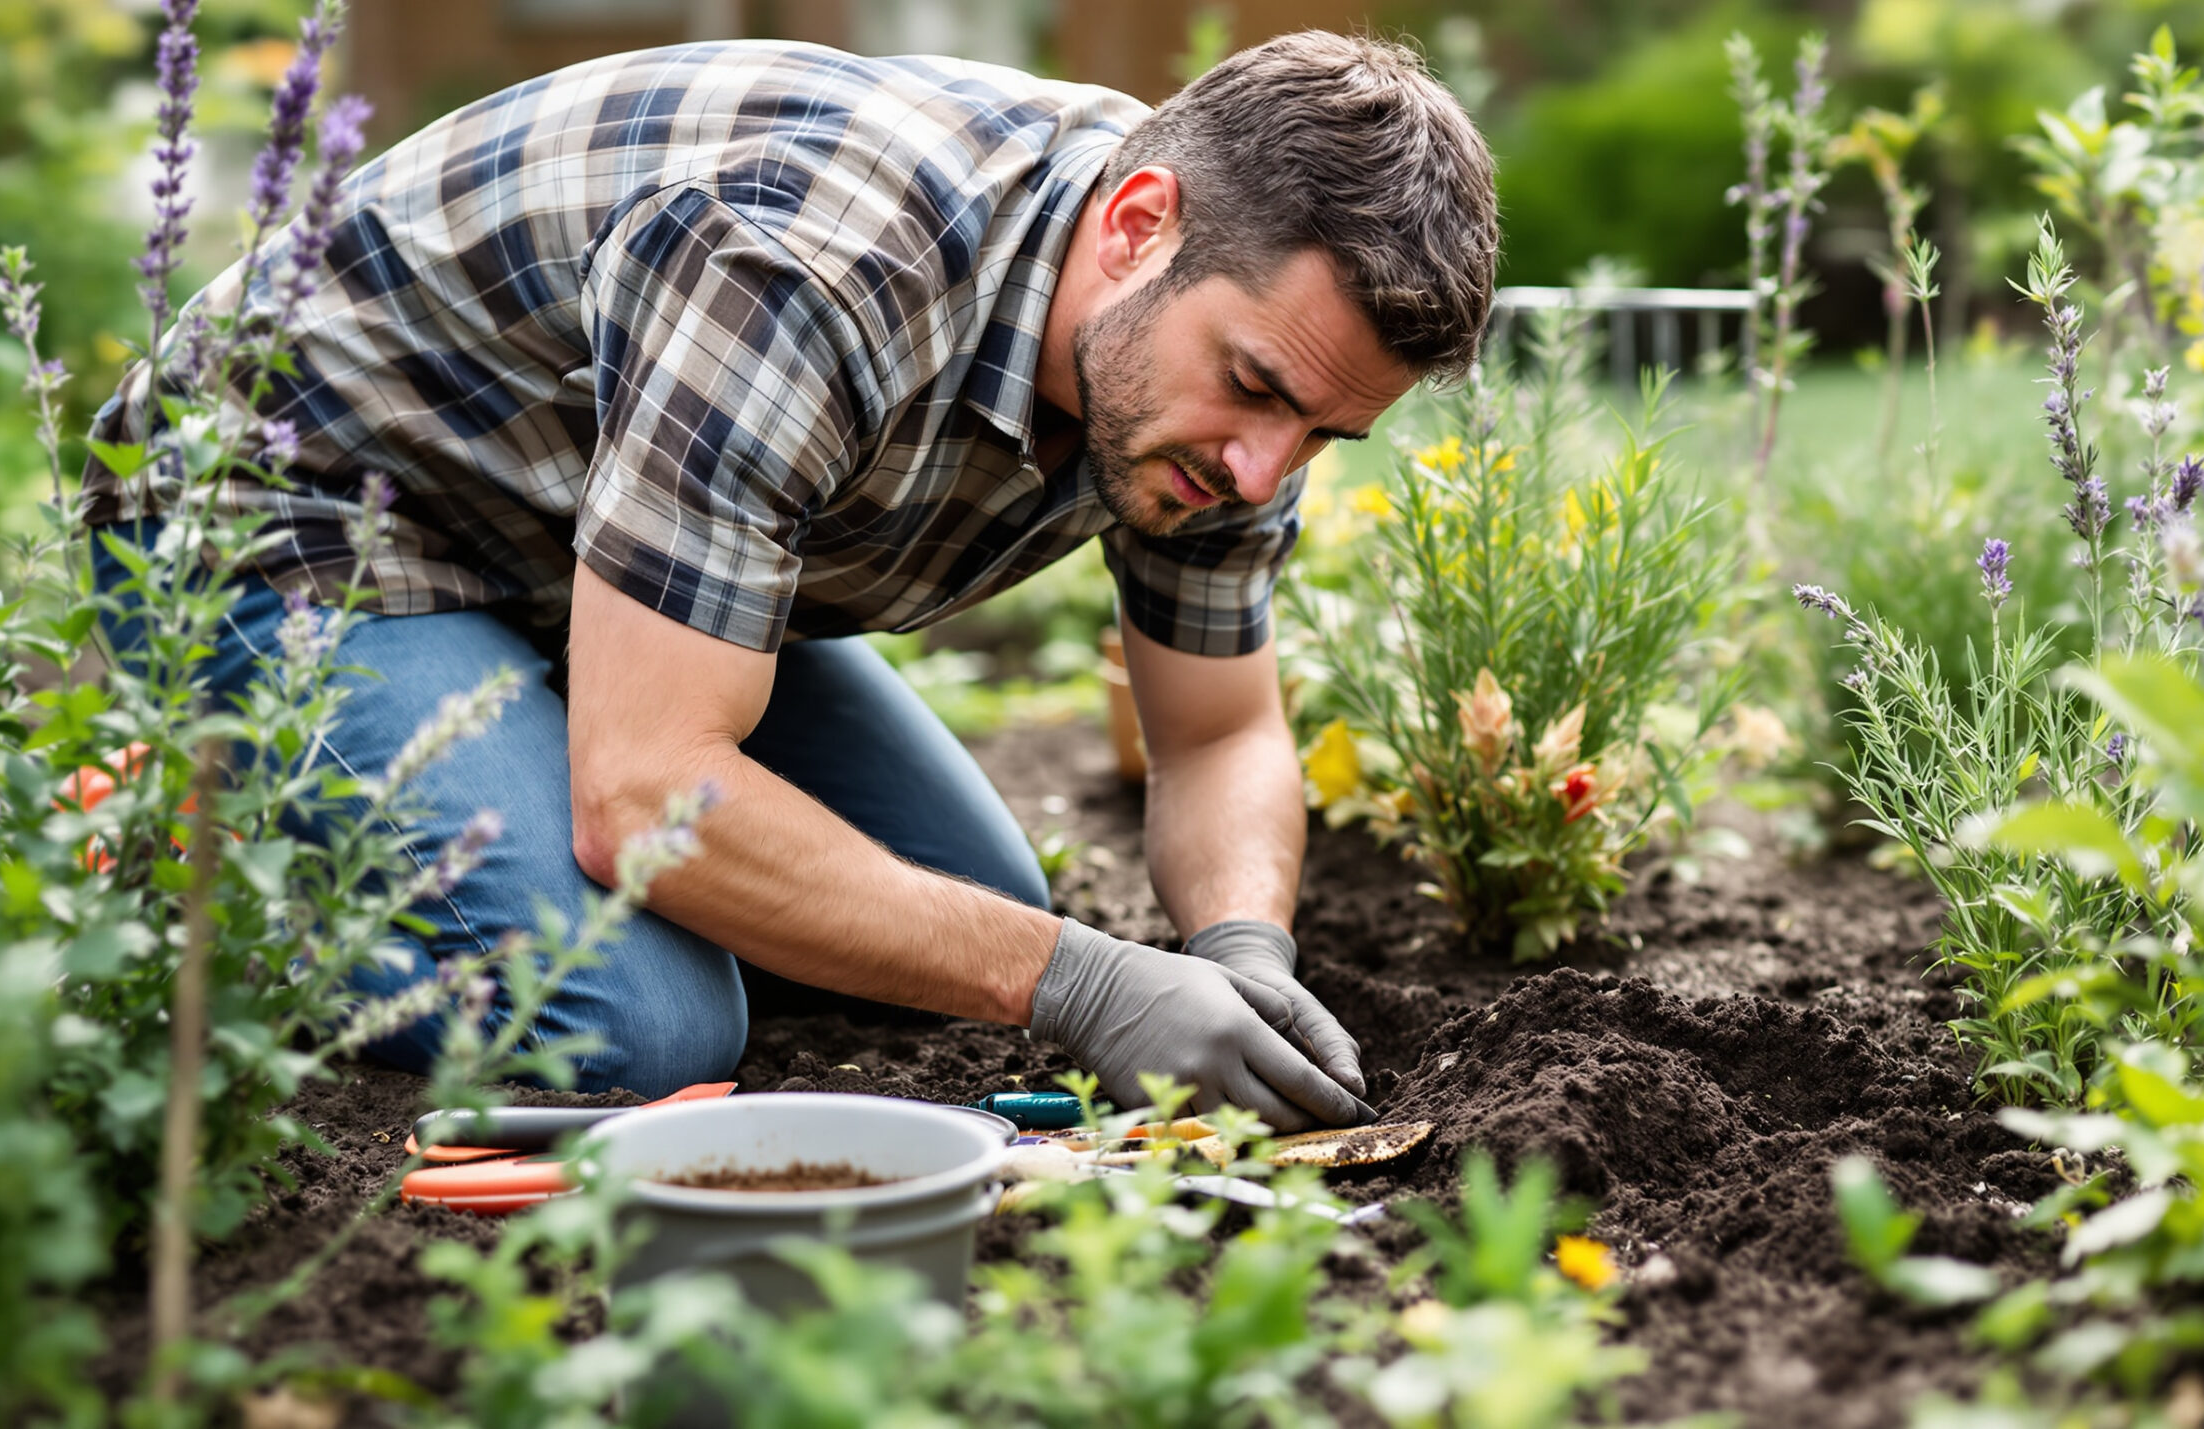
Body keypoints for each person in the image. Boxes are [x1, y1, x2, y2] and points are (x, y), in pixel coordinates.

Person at [79, 31, 1498, 1130]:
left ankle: (505, 752)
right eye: (1254, 389)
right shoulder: (819, 260)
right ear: (1138, 223)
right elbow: (647, 794)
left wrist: (1242, 948)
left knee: (960, 898)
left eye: (1320, 430)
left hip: (598, 545)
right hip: (293, 511)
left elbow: (1219, 730)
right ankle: (187, 886)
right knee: (633, 1021)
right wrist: (1084, 979)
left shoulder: (1240, 373)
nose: (1265, 469)